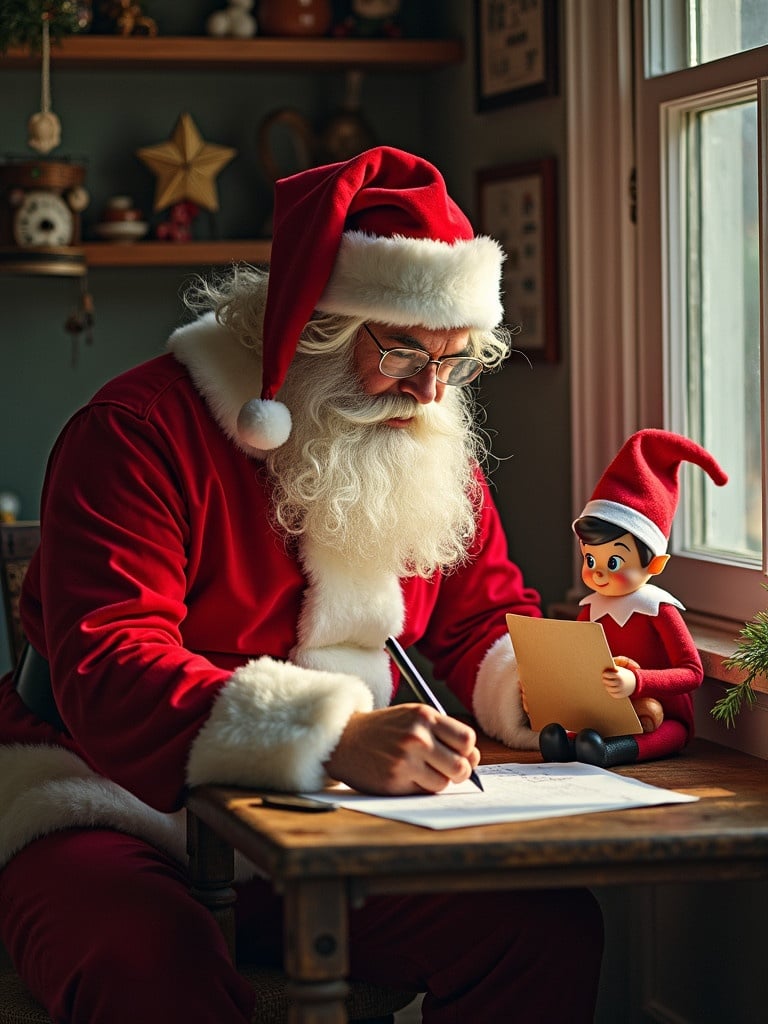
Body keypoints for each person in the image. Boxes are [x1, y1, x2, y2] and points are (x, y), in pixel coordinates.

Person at [0, 146, 603, 1023]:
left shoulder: (420, 429)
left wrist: (588, 700)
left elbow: (484, 616)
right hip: (111, 807)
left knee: (542, 931)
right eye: (402, 352)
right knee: (149, 973)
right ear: (311, 326)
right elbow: (111, 667)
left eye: (458, 360)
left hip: (330, 824)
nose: (432, 392)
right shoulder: (134, 432)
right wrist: (334, 738)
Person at [539, 429, 728, 768]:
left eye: (613, 562)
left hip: (663, 716)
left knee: (666, 733)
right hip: (608, 715)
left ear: (654, 563)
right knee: (565, 733)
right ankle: (574, 745)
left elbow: (691, 673)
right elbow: (579, 663)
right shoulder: (591, 609)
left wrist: (637, 682)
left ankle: (609, 753)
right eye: (590, 560)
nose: (598, 574)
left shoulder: (658, 610)